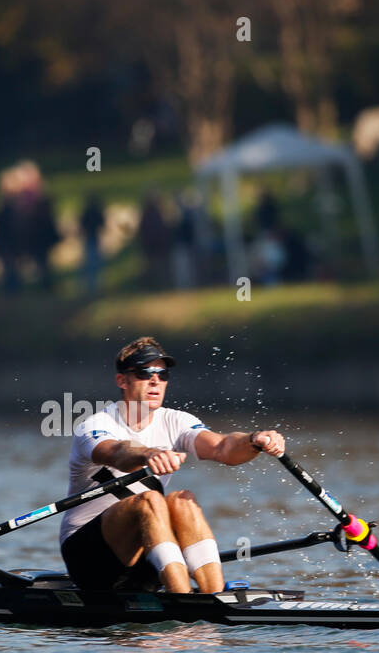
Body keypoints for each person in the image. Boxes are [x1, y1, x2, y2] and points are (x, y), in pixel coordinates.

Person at [59, 336, 287, 594]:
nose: (155, 380)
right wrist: (148, 453)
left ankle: (214, 599)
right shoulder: (96, 425)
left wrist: (254, 439)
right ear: (122, 381)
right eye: (145, 373)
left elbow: (223, 448)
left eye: (162, 374)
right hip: (90, 560)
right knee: (149, 500)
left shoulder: (176, 421)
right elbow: (115, 452)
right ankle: (183, 600)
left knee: (182, 499)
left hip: (147, 555)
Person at [79, 194, 105, 294]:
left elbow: (81, 224)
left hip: (90, 238)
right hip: (94, 238)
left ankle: (91, 285)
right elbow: (102, 223)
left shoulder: (86, 212)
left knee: (90, 262)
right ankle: (94, 285)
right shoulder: (95, 211)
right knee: (94, 262)